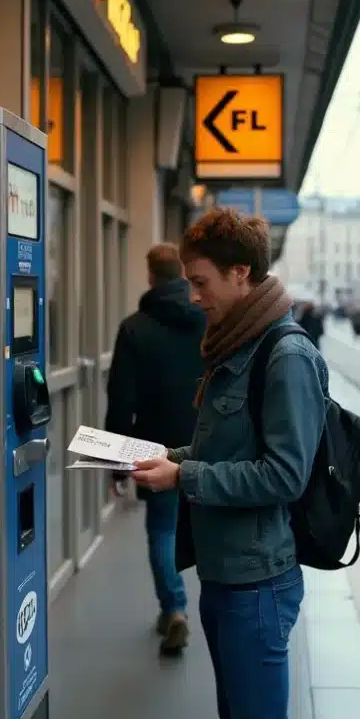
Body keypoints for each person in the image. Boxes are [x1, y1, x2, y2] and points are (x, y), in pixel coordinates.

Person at [129, 208, 328, 719]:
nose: (193, 297)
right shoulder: (238, 343)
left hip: (257, 582)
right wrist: (166, 458)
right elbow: (229, 447)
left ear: (240, 273)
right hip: (226, 575)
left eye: (201, 282)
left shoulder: (285, 355)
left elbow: (285, 475)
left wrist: (184, 475)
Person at [105, 243, 206, 656]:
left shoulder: (135, 328)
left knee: (162, 530)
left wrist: (115, 464)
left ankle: (175, 608)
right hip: (205, 442)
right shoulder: (207, 319)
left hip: (154, 446)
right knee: (207, 525)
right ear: (182, 274)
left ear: (150, 276)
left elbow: (120, 399)